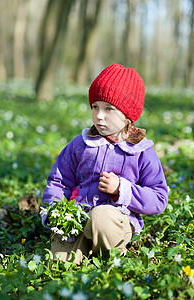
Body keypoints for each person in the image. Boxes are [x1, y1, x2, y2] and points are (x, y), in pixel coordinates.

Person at [42, 64, 168, 264]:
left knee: (101, 218)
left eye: (109, 109)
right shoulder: (80, 145)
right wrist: (54, 210)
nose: (99, 115)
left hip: (115, 222)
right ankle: (82, 254)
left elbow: (159, 198)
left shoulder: (141, 152)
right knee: (59, 262)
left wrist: (122, 189)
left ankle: (112, 258)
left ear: (128, 115)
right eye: (95, 107)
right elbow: (59, 181)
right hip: (78, 219)